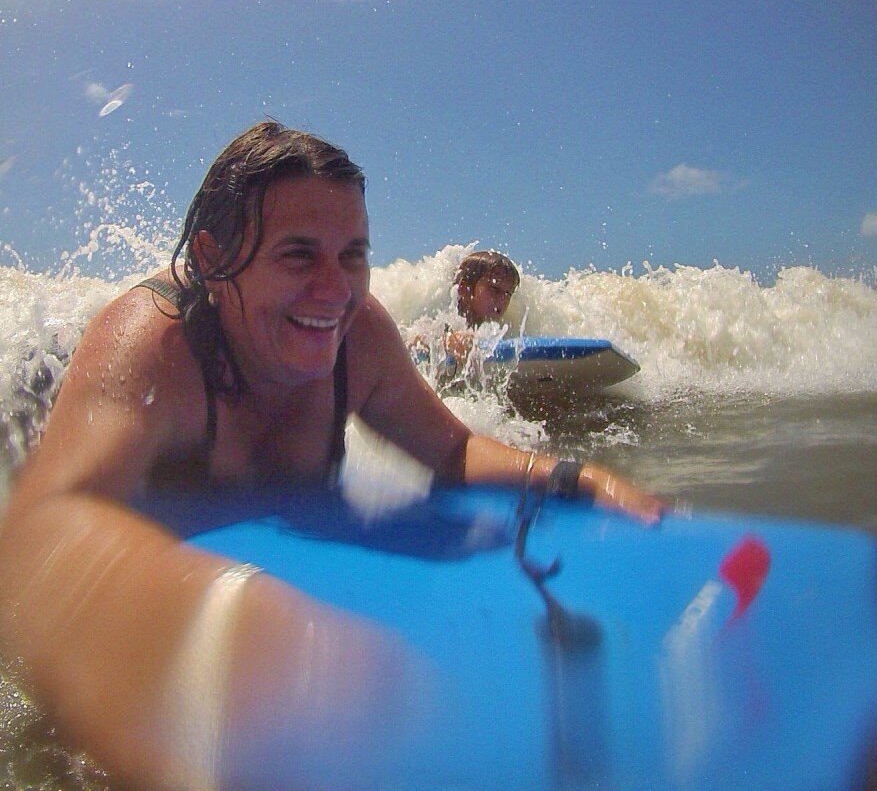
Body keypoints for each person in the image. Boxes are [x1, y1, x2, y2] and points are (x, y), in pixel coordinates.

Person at [0, 121, 662, 789]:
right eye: (298, 254)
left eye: (352, 254)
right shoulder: (154, 348)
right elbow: (40, 532)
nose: (336, 288)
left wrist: (565, 476)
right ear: (211, 257)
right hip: (75, 420)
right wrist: (220, 623)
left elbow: (453, 448)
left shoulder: (360, 335)